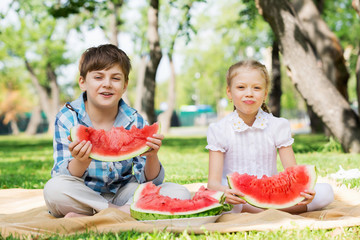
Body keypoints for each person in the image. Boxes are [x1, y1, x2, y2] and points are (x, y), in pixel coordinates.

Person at [43, 44, 190, 218]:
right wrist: (81, 161)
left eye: (115, 78)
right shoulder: (67, 119)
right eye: (98, 77)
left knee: (179, 192)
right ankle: (124, 214)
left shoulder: (135, 121)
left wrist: (152, 156)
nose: (107, 84)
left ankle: (99, 215)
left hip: (125, 193)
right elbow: (61, 175)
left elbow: (151, 182)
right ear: (82, 82)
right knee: (54, 190)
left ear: (125, 85)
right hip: (83, 192)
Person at [206, 60, 334, 214]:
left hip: (272, 193)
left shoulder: (278, 126)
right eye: (241, 87)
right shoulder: (219, 129)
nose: (249, 93)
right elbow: (213, 183)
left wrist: (304, 192)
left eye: (257, 88)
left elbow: (293, 174)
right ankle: (277, 209)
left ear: (265, 94)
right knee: (222, 200)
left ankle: (264, 207)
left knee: (326, 192)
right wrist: (224, 192)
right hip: (236, 197)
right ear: (229, 92)